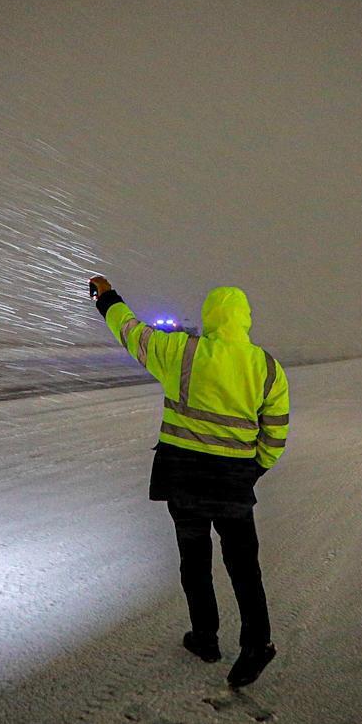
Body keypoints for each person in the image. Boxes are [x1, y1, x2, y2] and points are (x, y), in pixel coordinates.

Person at [89, 275, 290, 688]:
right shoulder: (267, 367)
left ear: (210, 317)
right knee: (244, 566)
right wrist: (254, 469)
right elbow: (276, 432)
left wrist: (108, 297)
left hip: (184, 481)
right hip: (233, 483)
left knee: (194, 561)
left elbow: (131, 332)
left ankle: (205, 638)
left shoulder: (181, 352)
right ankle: (257, 644)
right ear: (245, 320)